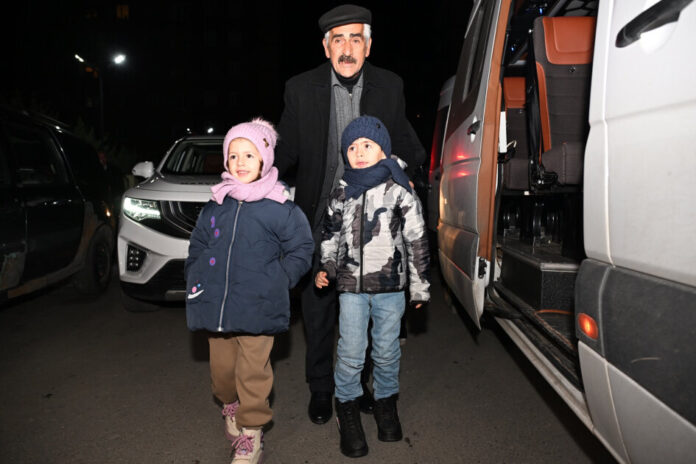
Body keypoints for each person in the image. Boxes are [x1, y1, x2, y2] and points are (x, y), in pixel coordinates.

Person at [275, 3, 426, 425]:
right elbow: (284, 151)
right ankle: (322, 388)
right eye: (338, 40)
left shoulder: (389, 86)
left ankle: (359, 386)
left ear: (368, 46)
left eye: (355, 39)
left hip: (374, 225)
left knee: (369, 312)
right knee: (319, 311)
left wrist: (405, 177)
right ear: (326, 47)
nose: (346, 49)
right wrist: (252, 172)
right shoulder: (300, 89)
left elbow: (407, 146)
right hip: (319, 221)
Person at [185, 118, 314, 463]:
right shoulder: (217, 204)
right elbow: (199, 243)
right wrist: (195, 273)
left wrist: (280, 279)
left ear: (264, 160)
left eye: (249, 155)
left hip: (259, 307)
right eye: (233, 155)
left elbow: (302, 248)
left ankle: (251, 433)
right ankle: (230, 405)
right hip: (218, 308)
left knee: (253, 374)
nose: (240, 162)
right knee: (223, 375)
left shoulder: (280, 208)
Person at [315, 115, 430, 457]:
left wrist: (420, 286)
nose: (359, 152)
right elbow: (330, 235)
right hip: (350, 288)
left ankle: (385, 403)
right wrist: (327, 267)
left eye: (367, 145)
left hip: (390, 288)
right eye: (352, 147)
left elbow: (417, 239)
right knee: (351, 352)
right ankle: (347, 408)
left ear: (383, 150)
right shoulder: (342, 192)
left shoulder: (399, 190)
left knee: (386, 350)